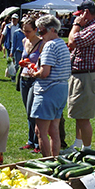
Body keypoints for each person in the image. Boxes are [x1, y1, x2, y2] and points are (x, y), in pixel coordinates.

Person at [64, 0, 95, 152]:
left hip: (87, 77)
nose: (77, 18)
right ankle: (78, 144)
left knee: (83, 117)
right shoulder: (94, 27)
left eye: (80, 15)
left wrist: (76, 24)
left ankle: (87, 149)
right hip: (84, 75)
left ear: (86, 13)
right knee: (79, 114)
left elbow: (73, 41)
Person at [30, 15, 71, 157]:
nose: (40, 36)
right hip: (61, 89)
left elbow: (45, 72)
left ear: (52, 29)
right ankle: (55, 159)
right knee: (54, 130)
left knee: (40, 131)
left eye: (42, 32)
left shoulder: (49, 46)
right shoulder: (62, 44)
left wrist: (34, 73)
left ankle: (47, 161)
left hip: (48, 91)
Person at [19, 17, 44, 153]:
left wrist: (31, 64)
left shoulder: (41, 43)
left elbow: (42, 64)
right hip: (24, 78)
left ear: (36, 30)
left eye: (28, 31)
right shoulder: (24, 41)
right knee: (28, 112)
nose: (26, 33)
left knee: (33, 112)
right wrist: (23, 62)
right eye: (24, 31)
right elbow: (24, 58)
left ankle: (37, 142)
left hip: (35, 79)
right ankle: (31, 141)